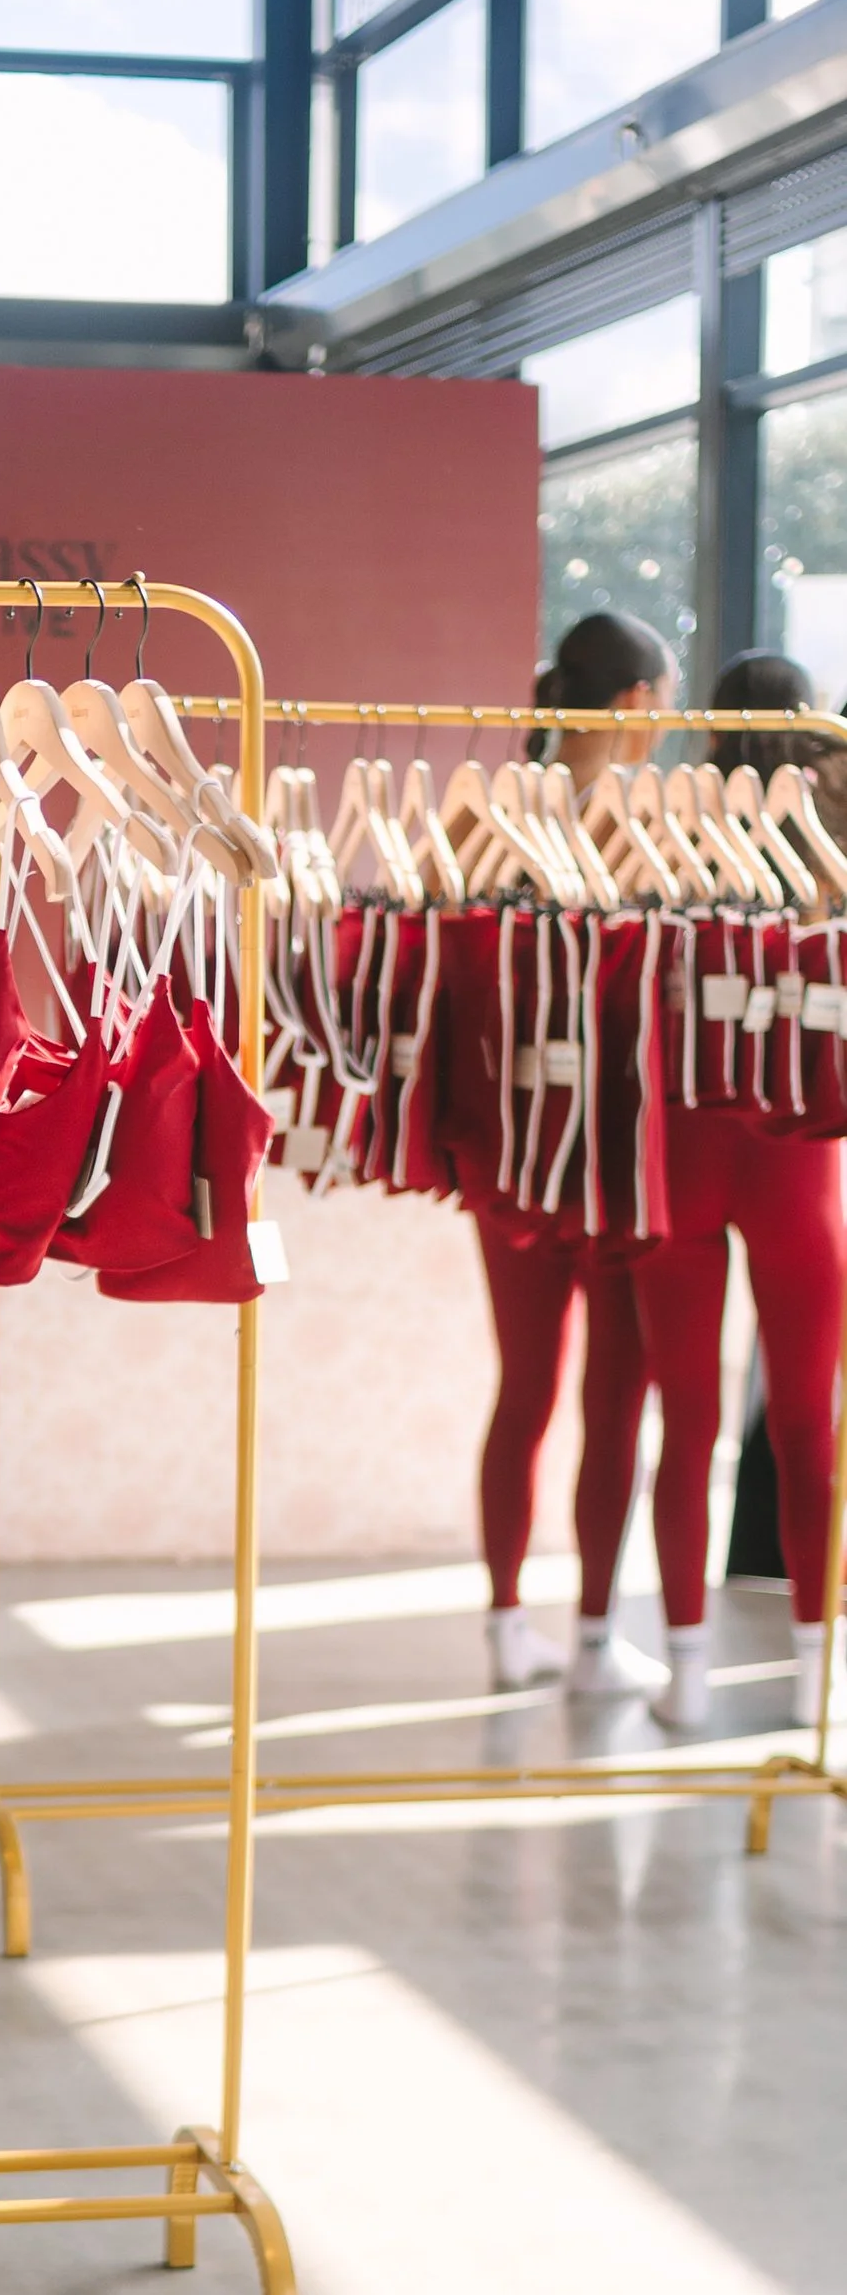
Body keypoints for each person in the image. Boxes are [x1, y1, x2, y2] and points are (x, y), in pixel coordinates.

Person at [629, 646, 847, 1731]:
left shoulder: (664, 834)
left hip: (680, 1148)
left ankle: (684, 1673)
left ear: (710, 727)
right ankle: (812, 1675)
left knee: (688, 1423)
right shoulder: (833, 851)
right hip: (797, 1164)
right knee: (807, 1422)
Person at [477, 609, 674, 1694]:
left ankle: (509, 1624)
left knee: (526, 1389)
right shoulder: (650, 829)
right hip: (614, 1154)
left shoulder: (484, 814)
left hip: (509, 1150)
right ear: (639, 702)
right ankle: (595, 1638)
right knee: (613, 1396)